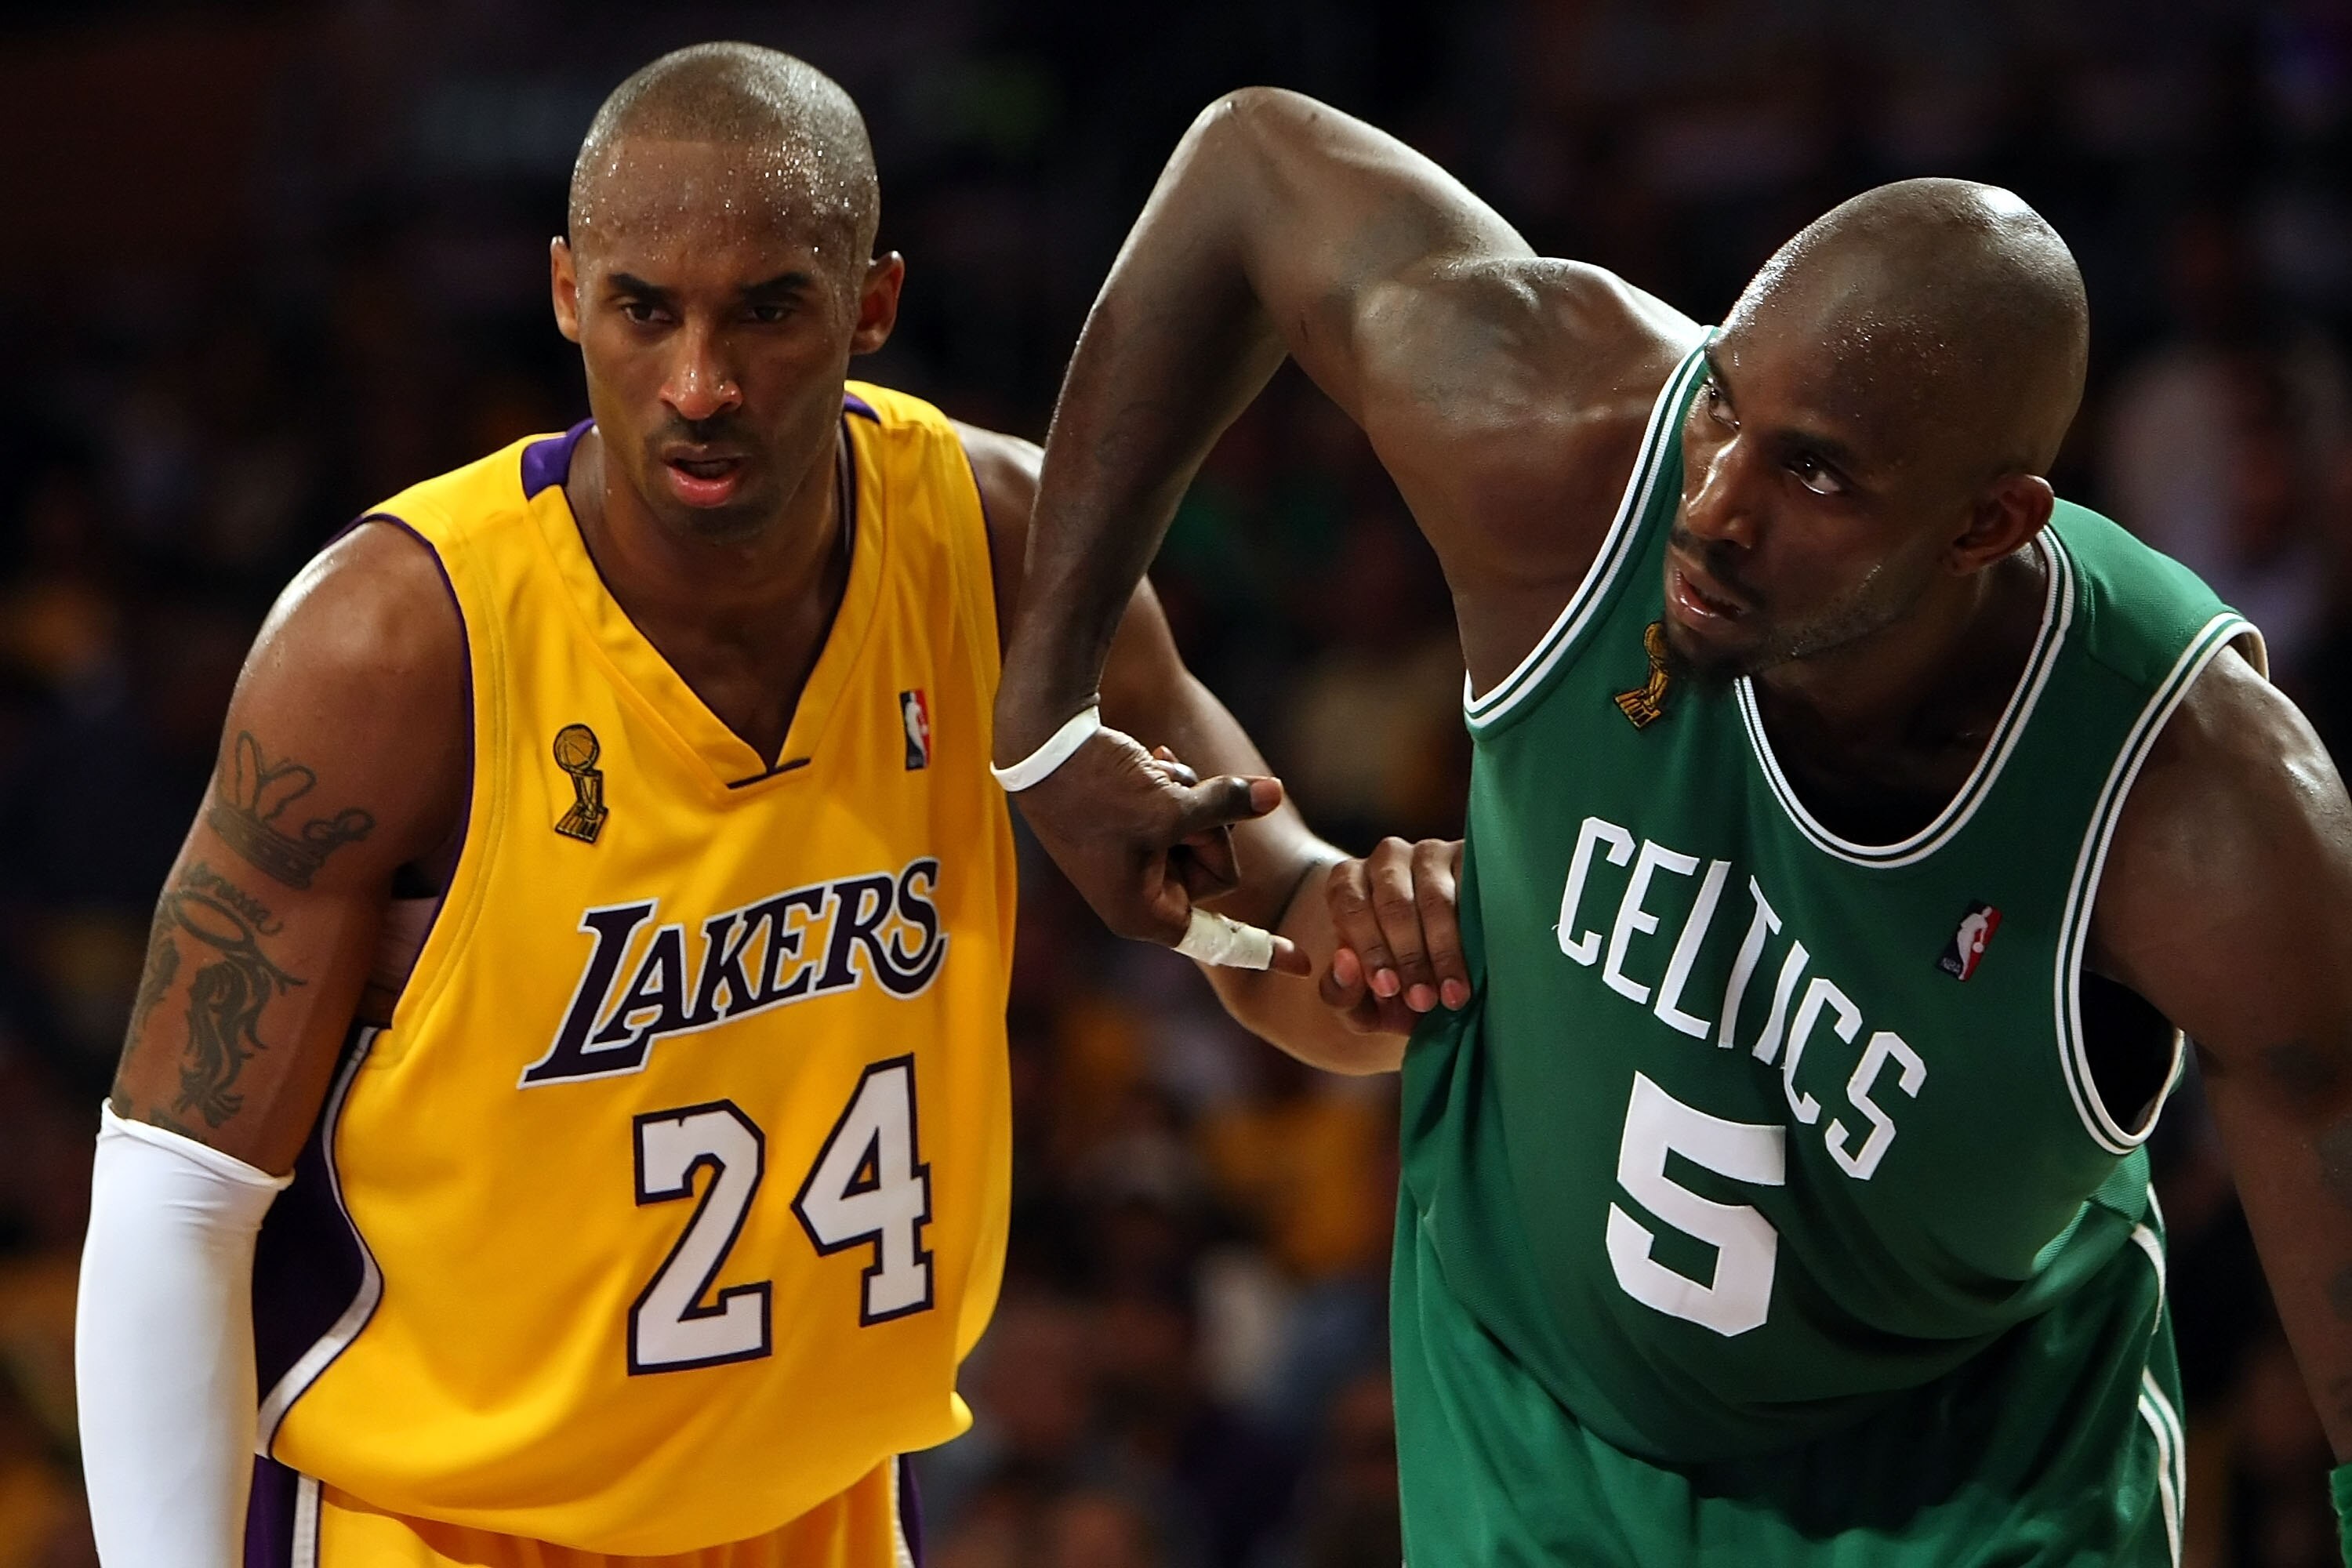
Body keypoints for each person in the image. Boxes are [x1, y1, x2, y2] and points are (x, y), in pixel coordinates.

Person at [992, 87, 2352, 1564]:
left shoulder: (2192, 802)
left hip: (1970, 1487)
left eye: (1813, 472)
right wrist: (1047, 712)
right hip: (1538, 1429)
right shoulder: (1568, 450)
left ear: (1989, 525)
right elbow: (1251, 165)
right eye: (1725, 404)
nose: (1714, 506)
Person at [72, 48, 1374, 1568]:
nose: (701, 385)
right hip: (441, 1528)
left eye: (766, 310)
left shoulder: (1000, 541)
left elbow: (1283, 935)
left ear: (871, 305)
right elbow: (176, 1185)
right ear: (567, 295)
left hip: (818, 1511)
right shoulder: (395, 643)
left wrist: (1399, 936)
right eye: (646, 310)